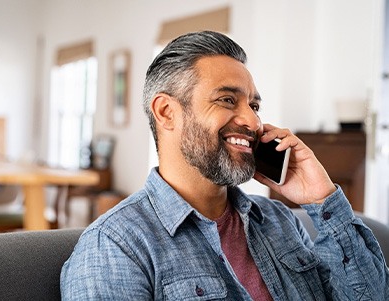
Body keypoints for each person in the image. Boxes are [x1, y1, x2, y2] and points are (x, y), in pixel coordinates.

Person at [61, 31, 389, 300]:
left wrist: (322, 198)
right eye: (227, 100)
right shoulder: (115, 247)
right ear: (166, 112)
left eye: (254, 105)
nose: (252, 120)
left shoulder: (279, 221)